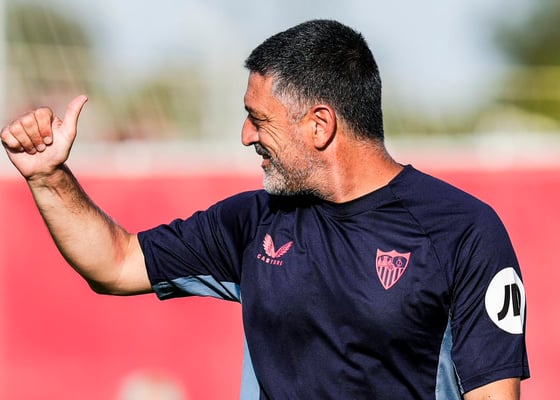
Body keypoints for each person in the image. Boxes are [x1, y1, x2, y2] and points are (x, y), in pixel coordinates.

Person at [1, 19, 529, 399]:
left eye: (259, 118)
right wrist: (48, 176)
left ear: (319, 125)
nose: (245, 135)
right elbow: (115, 263)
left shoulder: (463, 231)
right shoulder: (255, 222)